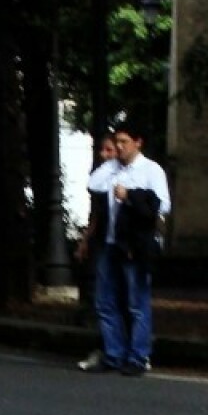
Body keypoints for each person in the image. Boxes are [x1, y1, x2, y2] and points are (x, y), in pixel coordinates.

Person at [84, 120, 171, 376]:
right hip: (110, 243)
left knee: (136, 302)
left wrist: (131, 195)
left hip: (134, 245)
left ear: (137, 142)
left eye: (124, 142)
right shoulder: (113, 169)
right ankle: (113, 353)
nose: (119, 147)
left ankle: (138, 356)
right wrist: (112, 163)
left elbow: (163, 205)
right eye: (117, 142)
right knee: (105, 302)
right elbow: (94, 184)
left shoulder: (150, 170)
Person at [75, 134, 119, 371]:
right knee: (101, 298)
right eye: (103, 150)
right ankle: (104, 348)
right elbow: (97, 214)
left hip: (120, 244)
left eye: (110, 150)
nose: (104, 155)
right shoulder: (103, 180)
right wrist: (85, 240)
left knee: (120, 298)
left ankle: (118, 349)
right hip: (103, 241)